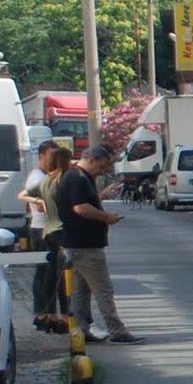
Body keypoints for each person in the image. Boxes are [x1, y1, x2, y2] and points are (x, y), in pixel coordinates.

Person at [57, 146, 145, 344]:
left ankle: (80, 329)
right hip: (86, 245)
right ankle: (117, 330)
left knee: (81, 290)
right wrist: (106, 217)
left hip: (77, 243)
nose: (103, 171)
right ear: (93, 159)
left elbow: (85, 203)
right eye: (102, 166)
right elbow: (81, 207)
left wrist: (101, 196)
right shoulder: (78, 178)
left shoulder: (77, 177)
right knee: (103, 289)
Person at [25, 142, 70, 331]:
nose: (54, 160)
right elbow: (25, 195)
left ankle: (50, 315)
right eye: (51, 155)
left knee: (51, 274)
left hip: (48, 229)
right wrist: (37, 201)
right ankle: (45, 315)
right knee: (46, 275)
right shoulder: (38, 177)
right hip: (42, 229)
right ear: (42, 156)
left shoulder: (48, 177)